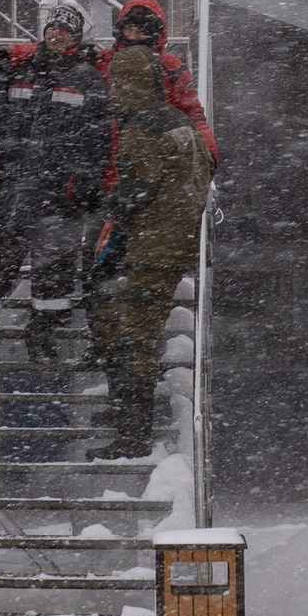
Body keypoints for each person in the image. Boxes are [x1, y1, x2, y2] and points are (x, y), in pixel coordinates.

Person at [0, 0, 114, 363]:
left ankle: (42, 338)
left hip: (59, 196)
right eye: (52, 27)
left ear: (77, 37)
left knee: (54, 273)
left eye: (64, 29)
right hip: (13, 191)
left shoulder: (88, 80)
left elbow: (95, 141)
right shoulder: (19, 72)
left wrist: (79, 187)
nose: (56, 34)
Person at [91, 42, 213, 456]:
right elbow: (200, 171)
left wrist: (111, 205)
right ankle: (127, 414)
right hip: (176, 243)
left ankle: (132, 433)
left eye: (118, 82)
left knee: (131, 337)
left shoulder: (142, 126)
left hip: (153, 248)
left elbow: (142, 186)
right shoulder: (177, 120)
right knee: (121, 325)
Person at [106, 0, 217, 164]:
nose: (134, 36)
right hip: (107, 158)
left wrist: (209, 155)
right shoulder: (102, 61)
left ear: (154, 34)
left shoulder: (171, 67)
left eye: (141, 31)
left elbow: (192, 113)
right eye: (129, 29)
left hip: (152, 160)